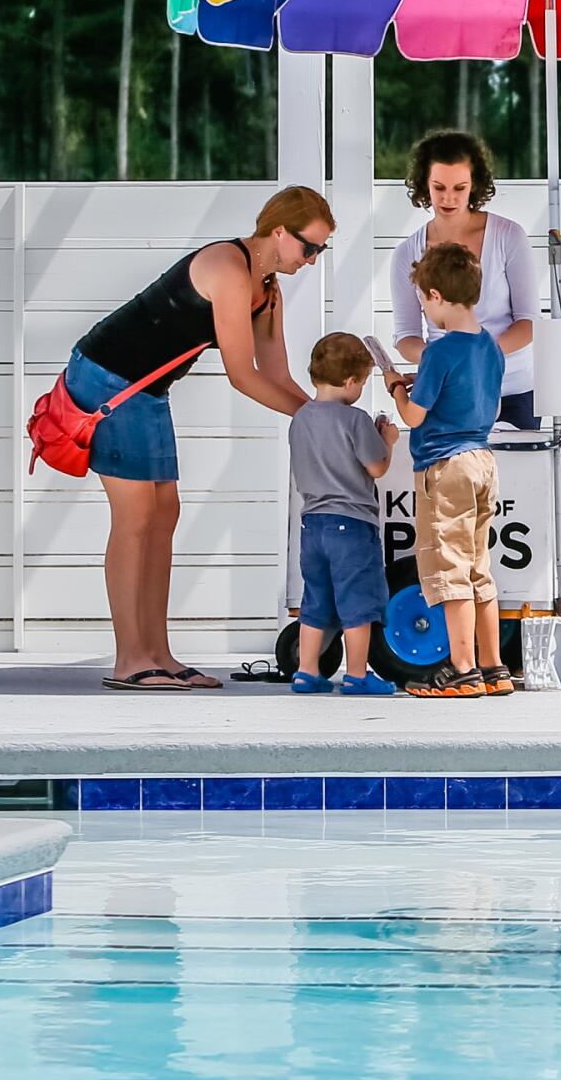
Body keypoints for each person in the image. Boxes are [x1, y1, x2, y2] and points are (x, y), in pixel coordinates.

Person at [66, 186, 331, 691]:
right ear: (279, 232)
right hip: (107, 379)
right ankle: (130, 661)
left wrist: (324, 415)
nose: (313, 260)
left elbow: (277, 373)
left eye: (320, 250)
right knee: (136, 516)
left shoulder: (267, 290)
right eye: (309, 247)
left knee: (165, 513)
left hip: (147, 390)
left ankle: (158, 653)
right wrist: (318, 421)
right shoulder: (229, 268)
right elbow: (243, 375)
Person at [390, 242, 506, 699]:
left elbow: (414, 418)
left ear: (436, 295)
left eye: (422, 299)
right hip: (482, 458)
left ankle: (462, 669)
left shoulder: (436, 353)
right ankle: (493, 666)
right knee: (480, 568)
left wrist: (398, 389)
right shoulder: (491, 347)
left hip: (446, 465)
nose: (422, 307)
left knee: (449, 569)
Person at [390, 129, 541, 430]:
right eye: (439, 187)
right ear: (424, 185)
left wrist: (473, 356)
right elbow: (406, 337)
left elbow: (529, 322)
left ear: (475, 186)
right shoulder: (407, 252)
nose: (448, 198)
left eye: (459, 188)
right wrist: (443, 364)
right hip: (446, 394)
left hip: (512, 390)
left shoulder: (509, 236)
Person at [287, 334, 398, 697]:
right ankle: (356, 674)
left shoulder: (300, 418)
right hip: (351, 524)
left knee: (315, 600)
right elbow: (377, 468)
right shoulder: (355, 420)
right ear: (351, 381)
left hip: (312, 523)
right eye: (363, 383)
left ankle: (306, 671)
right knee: (358, 603)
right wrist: (389, 441)